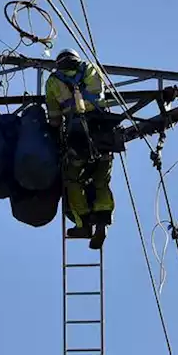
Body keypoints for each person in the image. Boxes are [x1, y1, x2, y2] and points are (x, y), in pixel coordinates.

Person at [46, 49, 115, 250]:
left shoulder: (52, 81)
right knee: (102, 180)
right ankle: (102, 223)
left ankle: (84, 224)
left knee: (72, 180)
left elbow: (54, 119)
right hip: (103, 132)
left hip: (78, 137)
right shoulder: (92, 69)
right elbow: (101, 93)